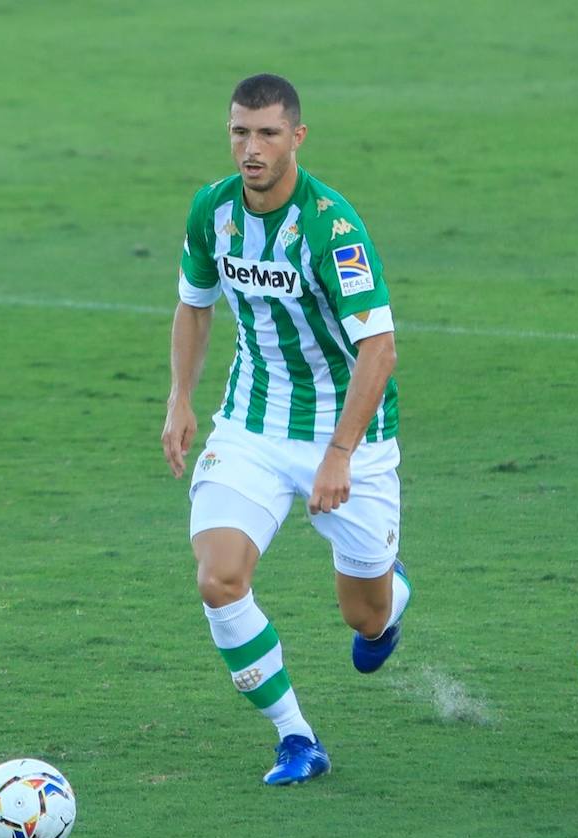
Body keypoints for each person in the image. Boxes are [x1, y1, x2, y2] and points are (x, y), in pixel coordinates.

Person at [162, 73, 411, 786]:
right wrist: (181, 397)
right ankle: (296, 737)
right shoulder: (212, 210)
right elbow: (195, 304)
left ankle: (390, 599)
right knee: (219, 578)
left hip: (349, 434)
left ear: (296, 137)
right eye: (240, 131)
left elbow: (380, 349)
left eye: (268, 132)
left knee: (364, 619)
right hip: (251, 424)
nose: (251, 147)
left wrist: (339, 453)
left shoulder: (332, 227)